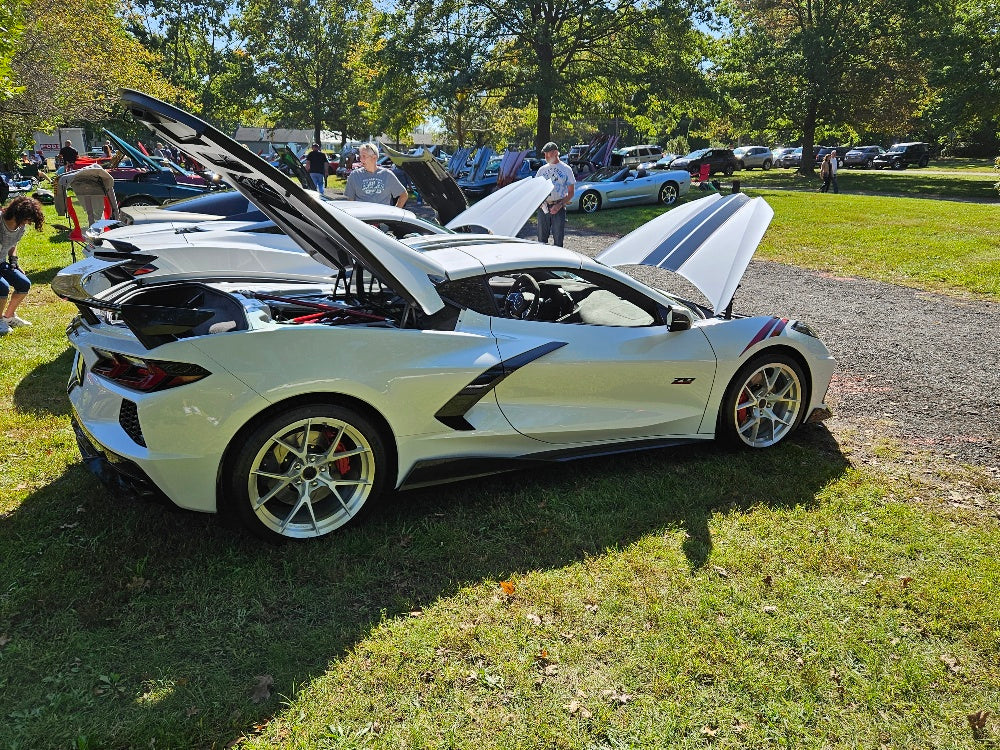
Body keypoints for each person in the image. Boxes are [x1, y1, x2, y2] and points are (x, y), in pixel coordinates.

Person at [0, 197, 45, 335]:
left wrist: (13, 261)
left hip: (1, 262)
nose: (28, 223)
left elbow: (13, 244)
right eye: (27, 219)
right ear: (17, 214)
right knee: (3, 287)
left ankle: (9, 316)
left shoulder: (20, 227)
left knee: (24, 284)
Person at [534, 141, 575, 247]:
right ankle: (542, 262)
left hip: (559, 206)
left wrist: (559, 205)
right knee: (541, 241)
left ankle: (558, 263)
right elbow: (535, 190)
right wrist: (538, 203)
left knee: (558, 240)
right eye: (545, 154)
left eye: (549, 153)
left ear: (556, 152)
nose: (546, 156)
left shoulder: (566, 169)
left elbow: (571, 192)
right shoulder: (541, 170)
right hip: (543, 207)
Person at [344, 142, 407, 208]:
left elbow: (404, 195)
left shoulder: (387, 175)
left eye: (364, 156)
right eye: (360, 156)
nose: (361, 160)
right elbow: (349, 201)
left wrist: (395, 212)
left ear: (374, 158)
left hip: (382, 217)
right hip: (362, 217)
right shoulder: (354, 175)